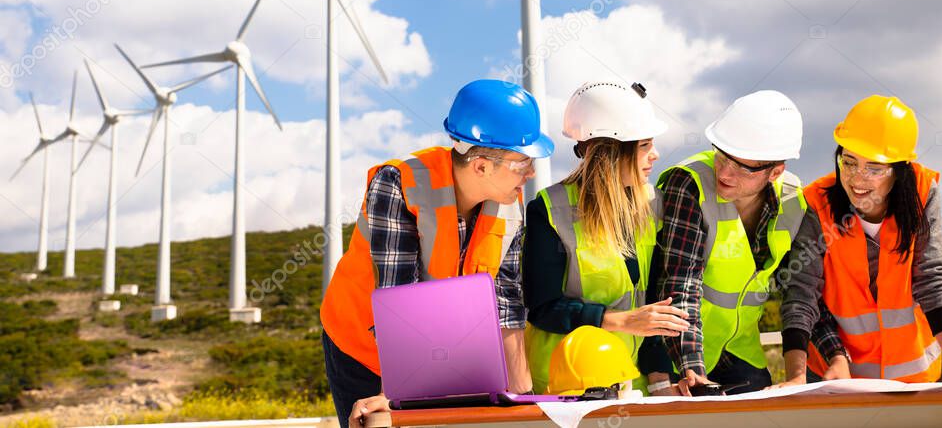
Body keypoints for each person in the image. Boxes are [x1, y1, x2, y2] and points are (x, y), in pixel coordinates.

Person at [320, 79, 555, 426]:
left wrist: (523, 399)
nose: (532, 173)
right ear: (481, 166)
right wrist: (393, 399)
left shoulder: (510, 204)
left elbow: (506, 304)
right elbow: (396, 300)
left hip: (442, 355)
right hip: (364, 348)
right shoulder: (398, 184)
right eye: (522, 163)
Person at [657, 90, 847, 395]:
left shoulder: (794, 201)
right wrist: (692, 370)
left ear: (775, 172)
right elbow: (682, 283)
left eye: (743, 166)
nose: (725, 172)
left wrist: (836, 355)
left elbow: (802, 291)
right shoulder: (689, 183)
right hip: (676, 351)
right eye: (722, 155)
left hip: (741, 353)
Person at [779, 95, 942, 384]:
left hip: (914, 379)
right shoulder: (816, 204)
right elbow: (801, 293)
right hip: (836, 378)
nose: (857, 179)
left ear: (900, 170)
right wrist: (796, 378)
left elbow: (932, 280)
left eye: (874, 168)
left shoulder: (922, 193)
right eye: (849, 162)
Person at [523, 81, 688, 395]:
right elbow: (543, 308)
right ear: (610, 152)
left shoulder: (654, 205)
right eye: (643, 146)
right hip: (567, 386)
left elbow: (653, 306)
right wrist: (620, 321)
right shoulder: (548, 209)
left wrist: (661, 382)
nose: (655, 155)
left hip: (630, 382)